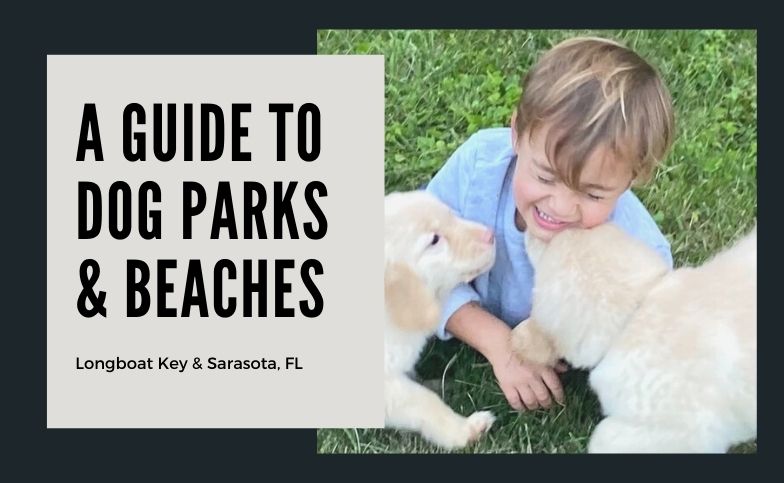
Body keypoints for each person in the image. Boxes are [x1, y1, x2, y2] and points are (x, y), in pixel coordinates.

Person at [425, 36, 675, 412]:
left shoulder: (639, 258)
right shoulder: (477, 169)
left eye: (592, 195)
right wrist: (499, 343)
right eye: (544, 177)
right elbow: (413, 264)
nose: (560, 207)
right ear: (517, 134)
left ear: (631, 179)